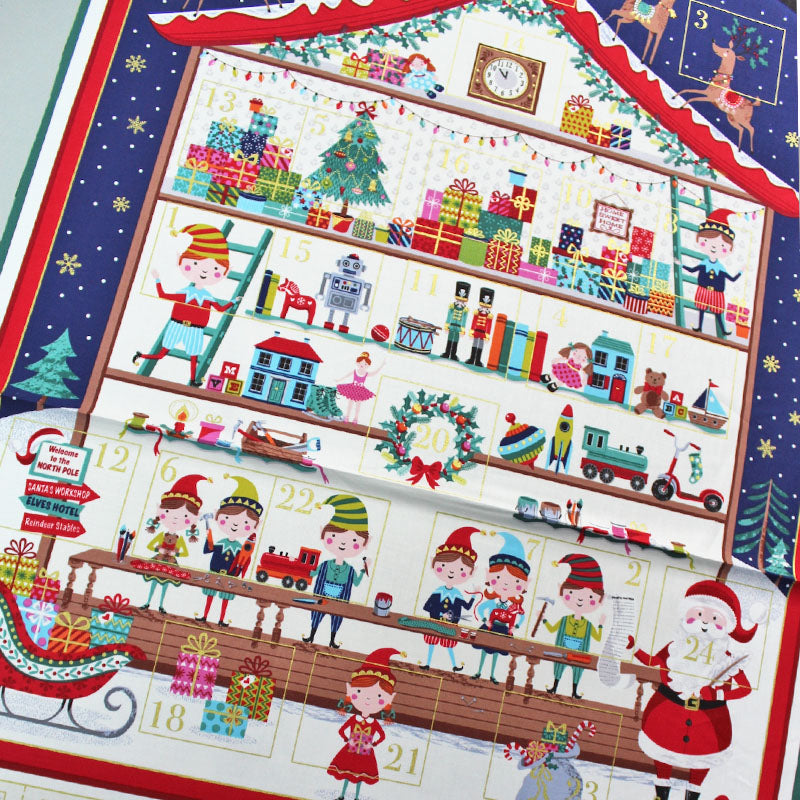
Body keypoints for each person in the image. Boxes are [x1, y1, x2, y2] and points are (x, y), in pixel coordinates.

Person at [629, 579, 758, 800]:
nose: (705, 622)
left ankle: (693, 793)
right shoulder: (675, 648)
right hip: (667, 710)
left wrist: (717, 694)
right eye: (699, 614)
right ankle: (661, 794)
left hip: (709, 719)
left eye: (714, 618)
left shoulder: (726, 659)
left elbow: (745, 688)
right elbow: (654, 661)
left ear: (726, 624)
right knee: (662, 752)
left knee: (703, 759)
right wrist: (634, 648)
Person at [133, 224, 242, 386]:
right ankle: (141, 356)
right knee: (163, 353)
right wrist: (157, 280)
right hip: (177, 325)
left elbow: (220, 309)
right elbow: (163, 295)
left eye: (215, 268)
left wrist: (233, 301)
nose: (204, 271)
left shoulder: (207, 297)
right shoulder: (185, 293)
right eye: (196, 264)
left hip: (195, 329)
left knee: (193, 357)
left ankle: (192, 380)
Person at [328, 648, 401, 799]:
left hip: (365, 751)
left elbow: (382, 736)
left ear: (388, 700)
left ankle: (356, 797)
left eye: (379, 696)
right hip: (351, 748)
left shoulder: (373, 723)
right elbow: (341, 730)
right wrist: (346, 739)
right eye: (360, 692)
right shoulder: (354, 719)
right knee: (347, 773)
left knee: (361, 775)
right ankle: (342, 795)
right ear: (351, 691)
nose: (368, 699)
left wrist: (374, 743)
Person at [303, 494, 372, 648]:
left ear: (366, 543)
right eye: (334, 535)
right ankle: (311, 635)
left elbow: (356, 582)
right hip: (322, 595)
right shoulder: (325, 565)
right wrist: (303, 570)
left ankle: (332, 640)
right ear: (323, 534)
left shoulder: (350, 570)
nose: (343, 543)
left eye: (354, 540)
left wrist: (363, 570)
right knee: (316, 614)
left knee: (337, 617)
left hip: (340, 598)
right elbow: (313, 574)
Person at [197, 474, 262, 627]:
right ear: (218, 517)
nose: (235, 525)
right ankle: (205, 616)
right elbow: (208, 550)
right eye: (227, 518)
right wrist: (208, 536)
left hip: (231, 576)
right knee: (210, 595)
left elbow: (243, 562)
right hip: (214, 573)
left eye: (245, 522)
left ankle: (221, 619)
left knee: (225, 598)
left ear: (255, 526)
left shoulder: (241, 548)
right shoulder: (221, 543)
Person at [139, 474, 208, 613]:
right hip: (158, 560)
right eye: (169, 511)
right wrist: (158, 549)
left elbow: (184, 553)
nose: (176, 517)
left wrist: (175, 553)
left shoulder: (179, 539)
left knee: (165, 584)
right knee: (154, 582)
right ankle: (148, 602)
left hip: (170, 563)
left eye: (185, 515)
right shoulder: (161, 535)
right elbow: (151, 546)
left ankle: (161, 605)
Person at [543, 554, 606, 699]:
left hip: (579, 652)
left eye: (590, 597)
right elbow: (552, 629)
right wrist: (544, 620)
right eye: (571, 592)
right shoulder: (565, 620)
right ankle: (554, 687)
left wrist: (601, 625)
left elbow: (597, 637)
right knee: (559, 667)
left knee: (577, 670)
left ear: (600, 600)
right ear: (562, 591)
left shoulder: (588, 625)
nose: (580, 599)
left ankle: (574, 691)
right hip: (563, 649)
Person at [471, 532, 530, 684]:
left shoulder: (514, 605)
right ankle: (479, 671)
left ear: (525, 584)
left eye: (515, 581)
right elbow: (481, 609)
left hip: (504, 629)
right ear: (489, 576)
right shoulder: (493, 601)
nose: (505, 583)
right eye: (498, 577)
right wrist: (485, 619)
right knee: (485, 649)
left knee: (497, 652)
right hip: (490, 627)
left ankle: (492, 674)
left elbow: (522, 616)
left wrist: (516, 626)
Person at [421, 526, 479, 672]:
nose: (452, 571)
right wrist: (441, 614)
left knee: (449, 645)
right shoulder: (438, 592)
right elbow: (426, 607)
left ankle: (454, 665)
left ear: (471, 573)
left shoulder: (457, 595)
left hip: (451, 626)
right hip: (435, 623)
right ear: (433, 563)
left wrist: (473, 596)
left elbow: (466, 607)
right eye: (444, 565)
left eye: (461, 570)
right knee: (432, 642)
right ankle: (427, 663)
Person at [682, 209, 741, 336]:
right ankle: (699, 327)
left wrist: (740, 272)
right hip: (703, 290)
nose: (714, 247)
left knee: (718, 312)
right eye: (707, 241)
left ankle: (723, 330)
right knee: (701, 309)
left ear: (730, 249)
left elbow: (731, 279)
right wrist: (681, 265)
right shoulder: (704, 264)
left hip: (717, 293)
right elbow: (692, 270)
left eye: (722, 246)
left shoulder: (721, 268)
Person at [335, 352, 384, 425]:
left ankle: (355, 418)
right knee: (350, 404)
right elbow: (347, 375)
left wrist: (382, 366)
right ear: (357, 363)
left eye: (365, 364)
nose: (362, 365)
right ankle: (347, 417)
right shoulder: (355, 371)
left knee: (358, 406)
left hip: (360, 391)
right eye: (360, 362)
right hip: (353, 389)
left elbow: (374, 373)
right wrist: (339, 380)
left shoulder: (366, 374)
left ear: (368, 366)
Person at [441, 281, 470, 361]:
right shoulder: (452, 306)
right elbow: (449, 315)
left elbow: (464, 319)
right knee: (450, 338)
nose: (460, 301)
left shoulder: (465, 309)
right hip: (452, 325)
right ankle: (447, 353)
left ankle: (453, 354)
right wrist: (447, 324)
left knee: (456, 340)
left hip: (459, 327)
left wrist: (463, 328)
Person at [465, 287, 494, 368]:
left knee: (480, 345)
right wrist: (472, 330)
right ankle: (472, 358)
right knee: (474, 344)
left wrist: (487, 333)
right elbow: (474, 321)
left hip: (483, 333)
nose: (484, 306)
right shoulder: (477, 312)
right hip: (476, 331)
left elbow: (489, 325)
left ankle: (477, 360)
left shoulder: (489, 315)